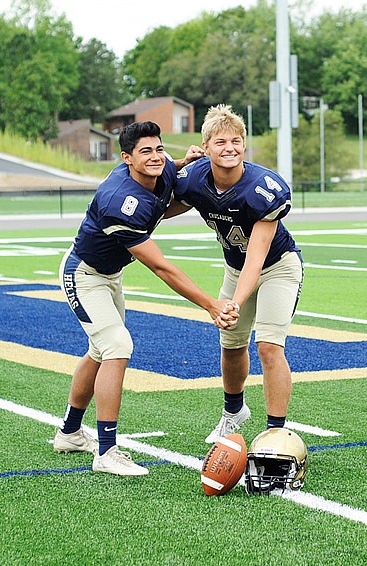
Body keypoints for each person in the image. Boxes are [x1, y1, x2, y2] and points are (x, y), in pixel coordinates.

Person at [53, 121, 237, 476]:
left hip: (110, 273)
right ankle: (106, 452)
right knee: (117, 346)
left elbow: (168, 177)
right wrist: (210, 305)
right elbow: (162, 268)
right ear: (126, 159)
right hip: (84, 274)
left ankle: (70, 432)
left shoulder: (161, 164)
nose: (155, 157)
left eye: (158, 149)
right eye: (145, 152)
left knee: (99, 351)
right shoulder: (118, 201)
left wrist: (185, 161)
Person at [173, 104, 303, 444]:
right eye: (220, 142)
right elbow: (164, 205)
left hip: (277, 267)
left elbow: (257, 257)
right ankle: (234, 412)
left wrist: (231, 304)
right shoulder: (193, 178)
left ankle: (276, 431)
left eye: (236, 140)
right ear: (206, 147)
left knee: (268, 346)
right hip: (234, 267)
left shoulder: (262, 186)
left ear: (244, 144)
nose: (229, 148)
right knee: (230, 345)